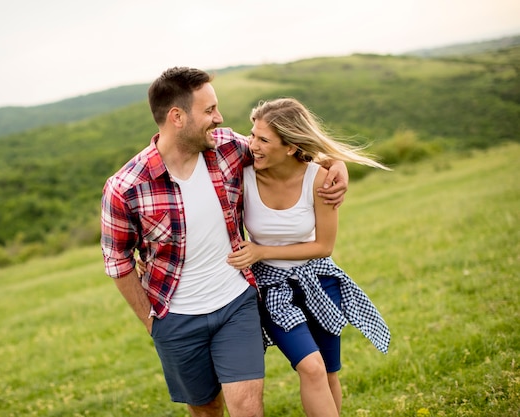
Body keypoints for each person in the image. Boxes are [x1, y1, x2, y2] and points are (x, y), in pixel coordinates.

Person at [100, 67, 349, 417]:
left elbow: (287, 150)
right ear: (177, 117)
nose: (219, 118)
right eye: (209, 111)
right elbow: (118, 262)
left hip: (236, 303)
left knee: (248, 406)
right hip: (176, 317)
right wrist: (151, 322)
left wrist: (334, 163)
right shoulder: (126, 188)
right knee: (205, 409)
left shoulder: (228, 148)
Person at [227, 98, 391, 417]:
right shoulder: (242, 174)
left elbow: (323, 247)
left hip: (319, 282)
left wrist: (261, 251)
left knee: (328, 372)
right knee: (312, 368)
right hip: (275, 291)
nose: (252, 145)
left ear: (290, 146)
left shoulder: (319, 180)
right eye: (252, 135)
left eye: (263, 140)